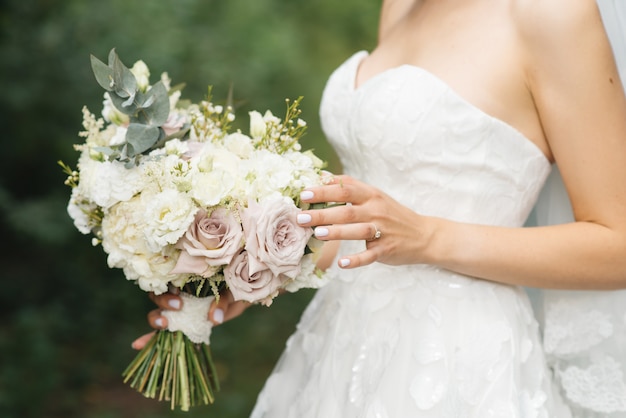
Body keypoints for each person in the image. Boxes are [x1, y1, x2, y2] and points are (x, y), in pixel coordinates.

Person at [134, 0, 626, 416]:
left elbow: (617, 243)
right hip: (340, 341)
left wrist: (430, 237)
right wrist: (256, 268)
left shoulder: (552, 12)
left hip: (456, 359)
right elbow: (371, 226)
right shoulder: (401, 6)